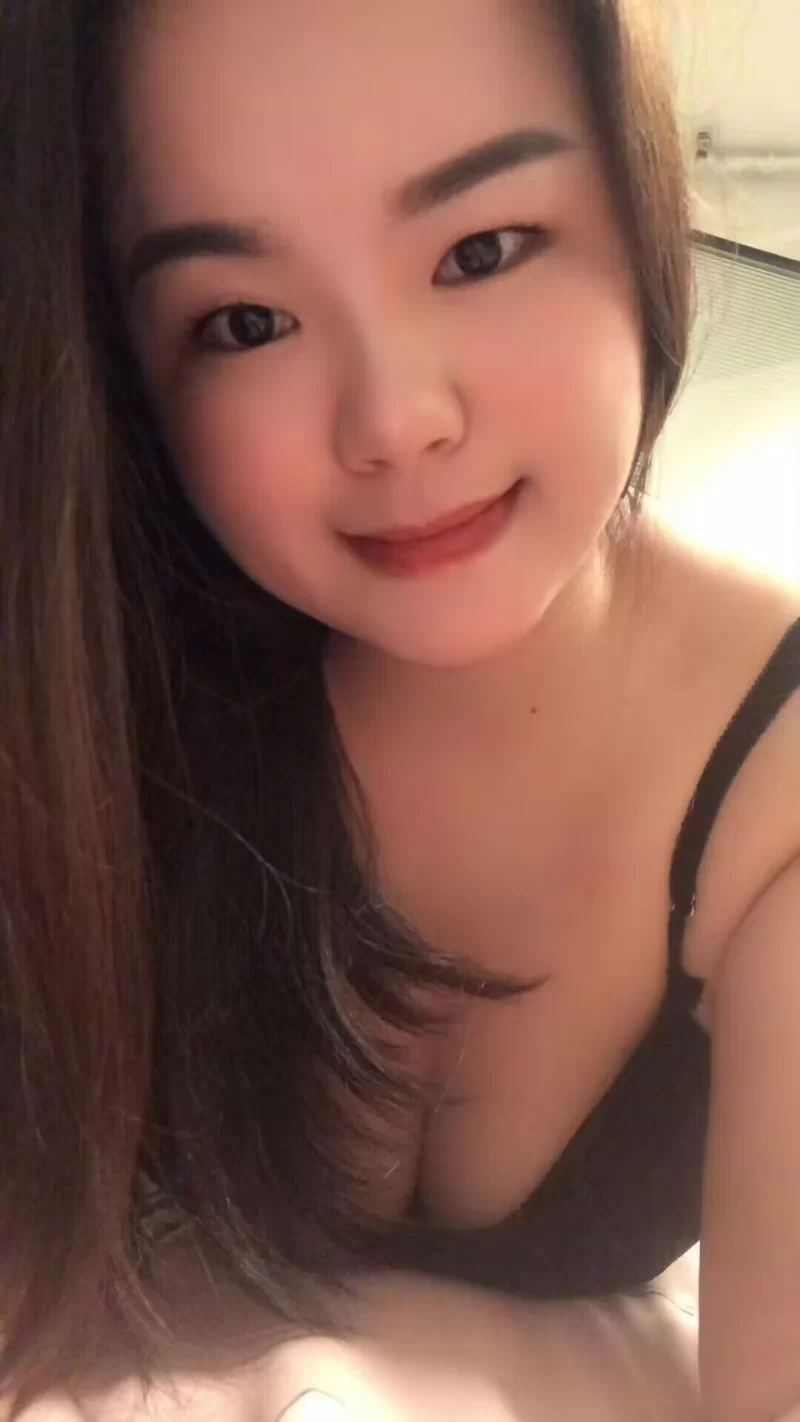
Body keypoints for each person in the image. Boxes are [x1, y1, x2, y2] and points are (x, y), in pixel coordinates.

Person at [1, 0, 799, 1419]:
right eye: (247, 322)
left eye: (480, 249)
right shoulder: (85, 678)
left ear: (636, 205)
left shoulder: (772, 793)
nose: (393, 418)